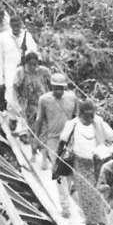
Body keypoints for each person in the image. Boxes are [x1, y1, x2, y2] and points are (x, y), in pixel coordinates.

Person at [59, 99, 113, 225]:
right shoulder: (72, 125)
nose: (91, 118)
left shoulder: (98, 122)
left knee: (98, 198)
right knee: (88, 197)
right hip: (80, 165)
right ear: (80, 114)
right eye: (87, 116)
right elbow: (62, 142)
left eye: (92, 115)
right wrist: (57, 165)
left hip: (97, 165)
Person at [36, 71, 79, 214]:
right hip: (53, 139)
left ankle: (69, 195)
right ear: (51, 87)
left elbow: (77, 118)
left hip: (70, 139)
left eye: (61, 88)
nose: (59, 91)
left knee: (70, 169)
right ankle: (66, 206)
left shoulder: (72, 98)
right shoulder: (44, 100)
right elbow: (40, 120)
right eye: (56, 88)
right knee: (58, 170)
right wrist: (36, 138)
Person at [11, 51, 52, 159]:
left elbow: (51, 86)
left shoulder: (44, 71)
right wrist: (17, 105)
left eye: (35, 64)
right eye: (31, 65)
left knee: (44, 130)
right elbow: (15, 89)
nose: (33, 67)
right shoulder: (21, 72)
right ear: (26, 63)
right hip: (29, 105)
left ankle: (44, 156)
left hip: (43, 104)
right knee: (32, 130)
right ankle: (33, 152)